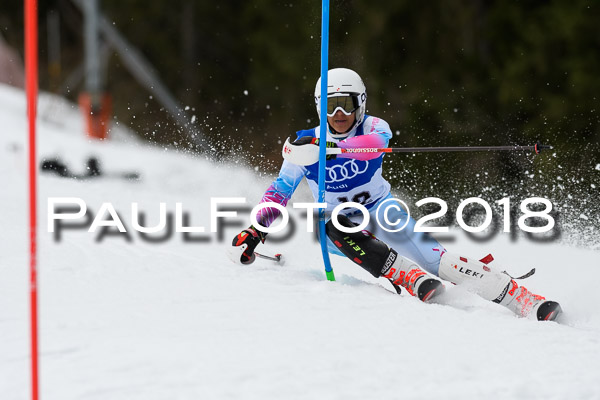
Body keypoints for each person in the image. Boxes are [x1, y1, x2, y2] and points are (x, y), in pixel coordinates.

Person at [229, 68, 561, 321]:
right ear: (319, 108)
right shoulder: (305, 145)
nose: (338, 116)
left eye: (345, 105)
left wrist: (336, 148)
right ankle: (408, 276)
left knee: (438, 259)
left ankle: (523, 299)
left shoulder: (375, 127)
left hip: (381, 209)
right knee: (332, 228)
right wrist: (256, 231)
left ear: (360, 104)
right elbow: (280, 191)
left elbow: (374, 148)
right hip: (337, 225)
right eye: (330, 107)